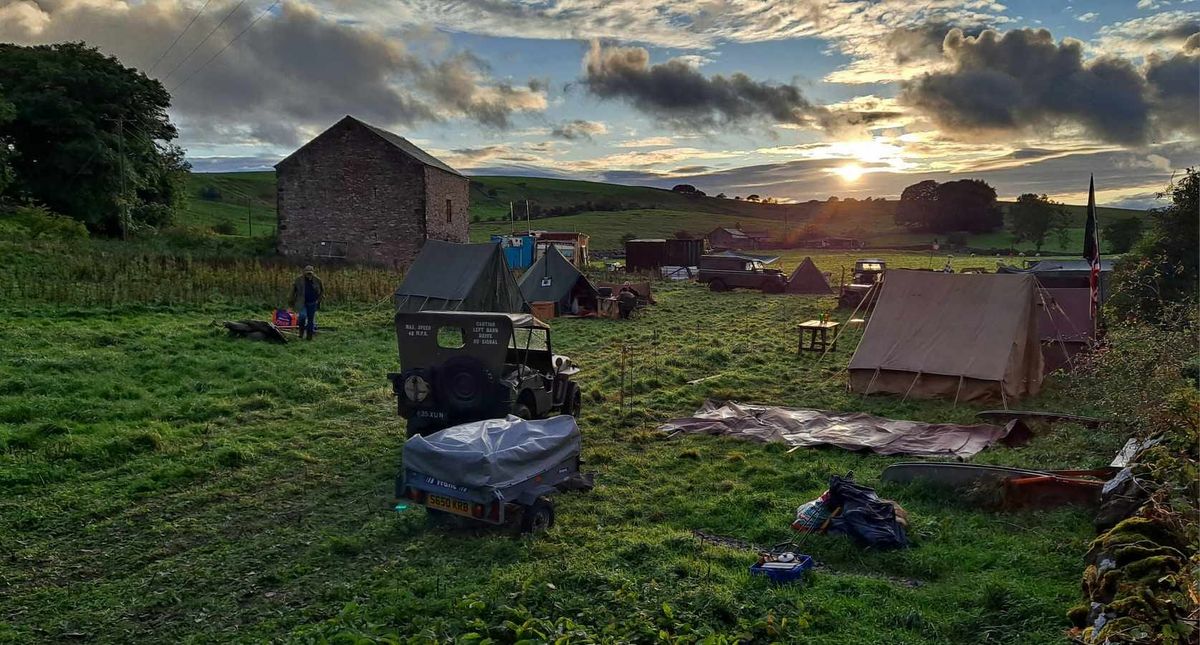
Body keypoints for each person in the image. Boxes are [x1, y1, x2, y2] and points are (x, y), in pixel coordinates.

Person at [290, 265, 324, 340]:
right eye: (307, 273)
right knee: (302, 316)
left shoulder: (318, 280)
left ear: (313, 273)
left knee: (310, 320)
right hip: (302, 303)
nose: (308, 275)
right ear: (304, 273)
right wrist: (291, 301)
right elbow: (293, 291)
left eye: (310, 273)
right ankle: (301, 334)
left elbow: (322, 291)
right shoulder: (298, 280)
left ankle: (309, 337)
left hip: (312, 303)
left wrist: (319, 300)